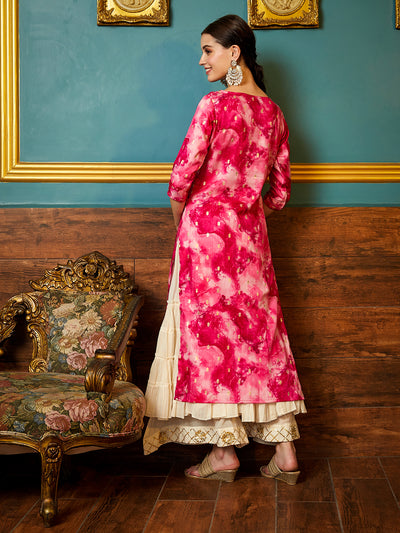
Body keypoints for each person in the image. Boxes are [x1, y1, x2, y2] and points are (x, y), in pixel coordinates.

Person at [143, 13, 306, 485]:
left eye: (208, 50)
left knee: (210, 341)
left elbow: (181, 179)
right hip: (251, 240)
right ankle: (284, 451)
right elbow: (279, 195)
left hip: (205, 236)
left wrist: (186, 223)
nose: (202, 60)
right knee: (260, 340)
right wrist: (245, 216)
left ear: (234, 53)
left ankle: (223, 453)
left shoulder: (214, 105)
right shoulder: (275, 114)